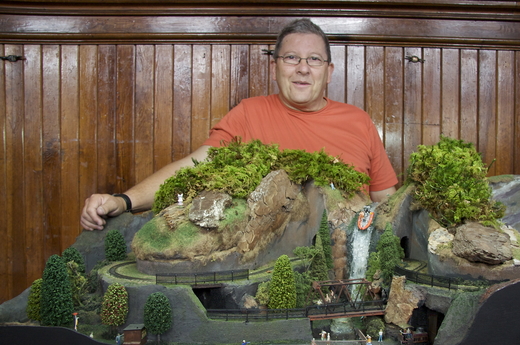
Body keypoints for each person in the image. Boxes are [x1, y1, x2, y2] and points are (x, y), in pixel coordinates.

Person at [80, 18, 397, 231]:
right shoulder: (249, 113)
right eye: (291, 58)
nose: (303, 69)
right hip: (268, 264)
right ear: (275, 67)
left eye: (314, 60)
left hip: (345, 254)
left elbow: (388, 204)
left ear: (328, 71)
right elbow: (193, 166)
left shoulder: (359, 121)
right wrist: (124, 201)